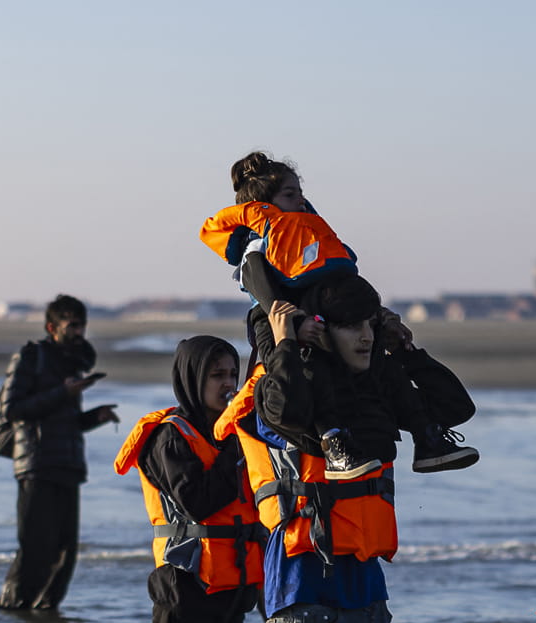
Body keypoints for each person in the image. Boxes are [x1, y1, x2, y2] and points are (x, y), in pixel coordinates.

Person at [214, 274, 475, 623]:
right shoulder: (286, 396)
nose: (361, 337)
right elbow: (281, 408)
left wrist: (404, 346)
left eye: (366, 325)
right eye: (349, 326)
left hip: (366, 596)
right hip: (305, 593)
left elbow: (454, 406)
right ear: (318, 331)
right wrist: (288, 342)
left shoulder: (371, 392)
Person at [200, 151, 477, 480]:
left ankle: (427, 438)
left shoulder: (375, 378)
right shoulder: (259, 240)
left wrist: (398, 341)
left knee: (384, 373)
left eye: (301, 194)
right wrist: (288, 336)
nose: (300, 202)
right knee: (313, 368)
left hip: (319, 320)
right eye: (290, 195)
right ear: (261, 203)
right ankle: (333, 442)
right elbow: (260, 285)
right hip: (285, 322)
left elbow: (458, 407)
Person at [112, 336, 263, 623]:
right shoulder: (169, 437)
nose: (229, 384)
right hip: (185, 590)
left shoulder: (231, 435)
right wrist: (238, 438)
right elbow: (198, 501)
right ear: (192, 379)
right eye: (217, 375)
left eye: (233, 375)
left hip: (232, 591)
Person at [0, 294, 119, 611]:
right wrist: (63, 392)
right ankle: (13, 614)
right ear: (52, 327)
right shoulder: (30, 357)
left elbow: (65, 423)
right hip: (35, 465)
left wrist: (95, 416)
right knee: (35, 550)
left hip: (68, 466)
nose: (79, 333)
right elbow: (13, 410)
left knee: (66, 553)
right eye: (72, 326)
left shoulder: (72, 364)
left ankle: (46, 622)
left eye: (83, 326)